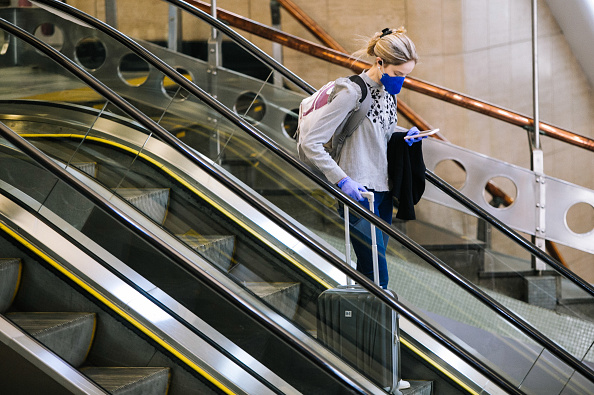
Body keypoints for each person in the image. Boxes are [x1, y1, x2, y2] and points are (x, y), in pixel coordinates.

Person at [297, 27, 422, 289]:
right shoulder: (352, 93)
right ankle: (378, 324)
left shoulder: (389, 94)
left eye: (406, 76)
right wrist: (342, 181)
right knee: (378, 275)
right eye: (398, 74)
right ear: (380, 62)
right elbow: (311, 143)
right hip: (358, 193)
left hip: (383, 191)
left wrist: (403, 135)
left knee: (369, 270)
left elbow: (378, 132)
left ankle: (361, 324)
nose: (401, 81)